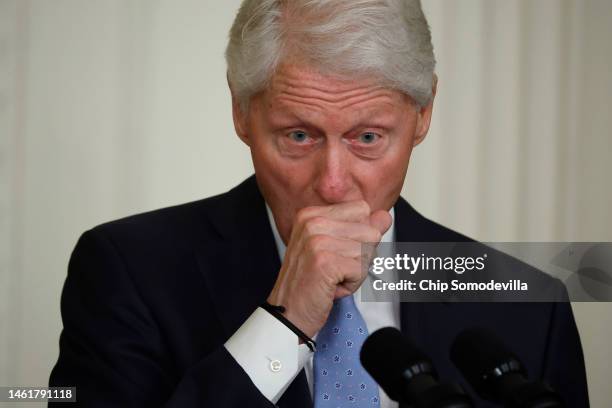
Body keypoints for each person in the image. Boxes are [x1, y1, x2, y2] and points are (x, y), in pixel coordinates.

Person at [49, 1, 589, 407]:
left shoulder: (528, 306)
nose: (333, 185)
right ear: (241, 113)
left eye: (369, 138)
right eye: (299, 136)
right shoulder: (126, 271)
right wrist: (282, 324)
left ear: (423, 115)